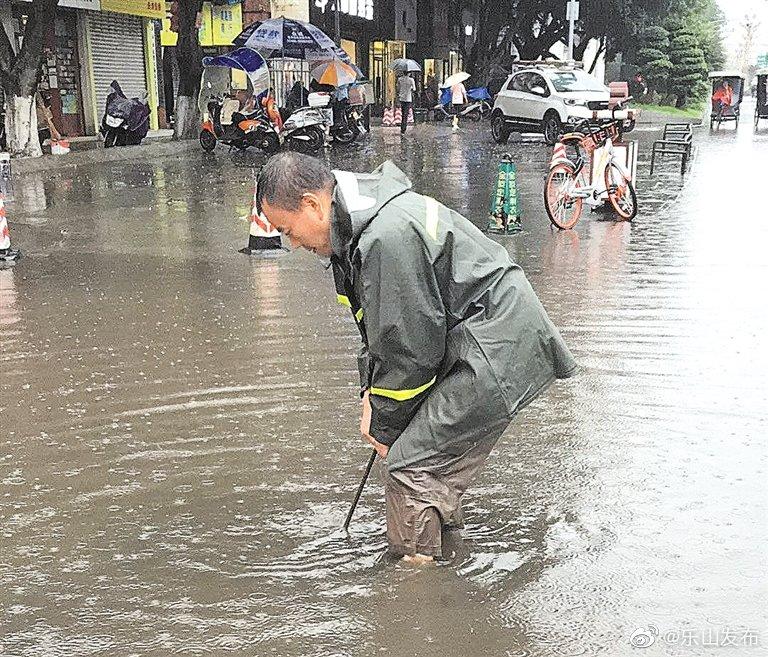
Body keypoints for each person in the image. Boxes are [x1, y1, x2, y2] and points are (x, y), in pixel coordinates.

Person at [255, 152, 577, 563]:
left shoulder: (384, 237)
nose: (292, 243)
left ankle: (415, 586)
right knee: (424, 452)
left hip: (498, 342)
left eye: (288, 230)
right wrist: (369, 395)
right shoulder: (357, 232)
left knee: (411, 467)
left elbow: (412, 352)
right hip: (473, 335)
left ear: (312, 205)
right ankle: (447, 552)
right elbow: (378, 329)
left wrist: (386, 423)